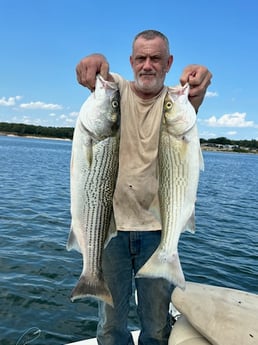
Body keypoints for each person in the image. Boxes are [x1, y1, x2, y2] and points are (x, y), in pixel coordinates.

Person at [76, 30, 212, 345]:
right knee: (111, 326)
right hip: (110, 230)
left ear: (169, 64)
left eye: (156, 59)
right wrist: (93, 62)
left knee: (156, 325)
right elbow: (98, 72)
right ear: (131, 61)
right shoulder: (116, 91)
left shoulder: (176, 102)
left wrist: (202, 78)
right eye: (141, 58)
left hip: (158, 233)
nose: (147, 65)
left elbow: (194, 95)